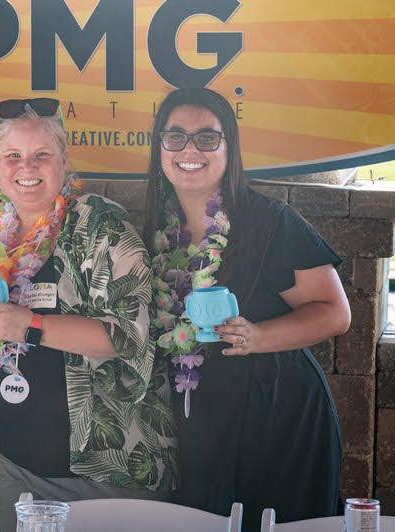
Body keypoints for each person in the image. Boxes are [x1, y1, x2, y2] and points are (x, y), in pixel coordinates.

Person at [0, 98, 177, 531]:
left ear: (64, 160)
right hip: (16, 466)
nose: (27, 167)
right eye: (13, 155)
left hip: (108, 472)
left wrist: (29, 326)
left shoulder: (102, 225)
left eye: (42, 154)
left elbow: (130, 337)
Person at [144, 88, 350, 531]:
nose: (189, 150)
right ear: (159, 147)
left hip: (277, 418)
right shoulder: (154, 230)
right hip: (198, 422)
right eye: (175, 137)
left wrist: (258, 337)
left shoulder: (268, 222)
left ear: (229, 147)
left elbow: (335, 312)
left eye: (207, 137)